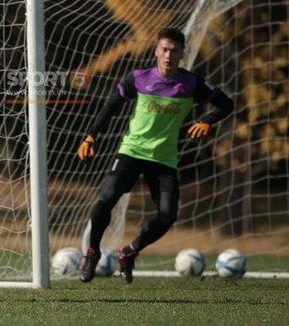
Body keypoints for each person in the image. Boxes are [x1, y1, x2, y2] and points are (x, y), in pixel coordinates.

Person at [76, 28, 233, 284]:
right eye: (164, 49)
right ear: (156, 51)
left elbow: (227, 104)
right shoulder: (138, 78)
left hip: (163, 160)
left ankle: (128, 252)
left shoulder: (191, 83)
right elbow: (111, 106)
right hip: (131, 151)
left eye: (174, 51)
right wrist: (91, 135)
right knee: (106, 199)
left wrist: (208, 120)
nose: (168, 55)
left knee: (168, 216)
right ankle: (92, 253)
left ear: (182, 54)